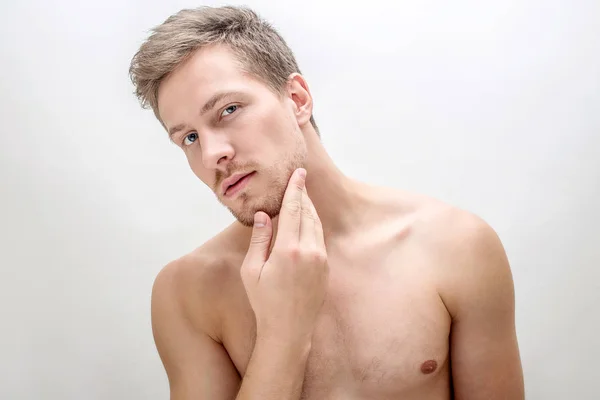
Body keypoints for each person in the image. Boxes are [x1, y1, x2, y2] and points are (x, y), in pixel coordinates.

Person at [129, 5, 524, 400]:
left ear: (298, 99)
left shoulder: (456, 247)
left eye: (228, 110)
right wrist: (283, 333)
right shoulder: (187, 293)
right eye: (189, 139)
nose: (212, 154)